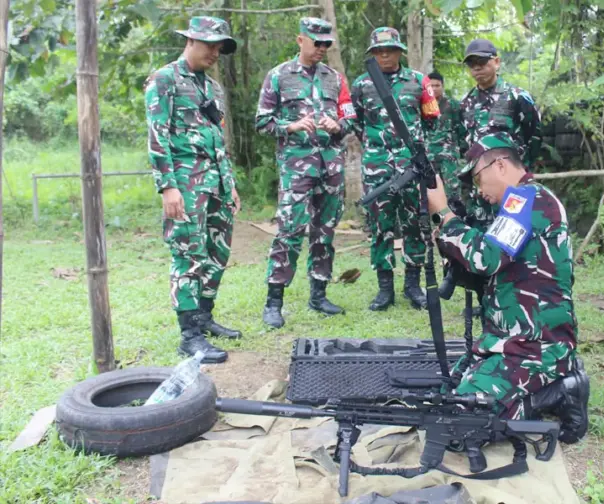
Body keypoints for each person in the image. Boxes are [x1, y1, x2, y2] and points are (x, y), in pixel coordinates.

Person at [426, 133, 584, 435]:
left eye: (477, 177)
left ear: (499, 166)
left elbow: (487, 257)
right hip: (511, 340)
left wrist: (445, 215)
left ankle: (562, 391)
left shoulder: (526, 199)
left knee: (461, 422)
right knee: (452, 392)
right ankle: (550, 383)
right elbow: (492, 273)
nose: (478, 189)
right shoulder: (525, 202)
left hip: (534, 346)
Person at [144, 16, 242, 364]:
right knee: (187, 255)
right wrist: (168, 187)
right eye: (209, 45)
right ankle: (189, 335)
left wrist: (229, 185)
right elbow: (157, 137)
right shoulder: (165, 79)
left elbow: (219, 140)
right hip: (185, 184)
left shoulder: (212, 87)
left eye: (219, 47)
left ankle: (204, 316)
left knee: (217, 253)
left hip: (215, 183)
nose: (215, 52)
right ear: (190, 41)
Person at [255, 17, 356, 328]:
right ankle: (274, 302)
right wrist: (291, 126)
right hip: (297, 169)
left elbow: (351, 118)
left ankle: (319, 294)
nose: (322, 49)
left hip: (331, 168)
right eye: (317, 43)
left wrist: (338, 126)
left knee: (324, 233)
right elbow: (262, 122)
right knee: (289, 232)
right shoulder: (279, 76)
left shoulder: (335, 79)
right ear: (301, 41)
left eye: (327, 43)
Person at [440, 39, 543, 299]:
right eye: (472, 65)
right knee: (484, 238)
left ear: (496, 61)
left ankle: (513, 295)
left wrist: (519, 174)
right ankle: (485, 298)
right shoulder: (466, 104)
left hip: (512, 188)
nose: (477, 69)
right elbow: (466, 144)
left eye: (482, 62)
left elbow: (534, 137)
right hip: (480, 189)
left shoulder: (518, 97)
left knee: (513, 241)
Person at [350, 27, 440, 311]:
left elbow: (431, 120)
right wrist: (380, 148)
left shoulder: (419, 82)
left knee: (415, 225)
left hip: (411, 167)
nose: (384, 55)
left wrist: (411, 150)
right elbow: (357, 122)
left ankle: (413, 286)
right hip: (377, 168)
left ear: (400, 51)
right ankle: (384, 289)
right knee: (380, 227)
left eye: (389, 49)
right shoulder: (362, 84)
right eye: (378, 51)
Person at [426, 71, 463, 217]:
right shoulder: (422, 104)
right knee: (431, 188)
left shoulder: (452, 104)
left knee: (452, 189)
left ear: (443, 86)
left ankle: (456, 220)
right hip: (429, 154)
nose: (434, 89)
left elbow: (460, 127)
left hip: (449, 154)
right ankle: (434, 222)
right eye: (431, 86)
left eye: (437, 85)